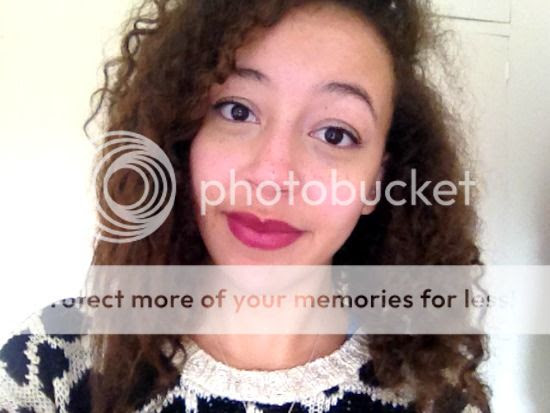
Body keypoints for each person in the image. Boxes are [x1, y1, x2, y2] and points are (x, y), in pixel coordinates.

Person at [0, 0, 491, 412]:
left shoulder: (432, 399)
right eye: (237, 110)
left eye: (335, 134)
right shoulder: (53, 364)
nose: (272, 177)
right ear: (183, 137)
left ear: (376, 181)